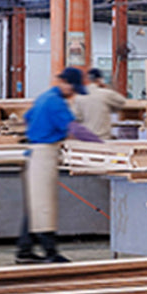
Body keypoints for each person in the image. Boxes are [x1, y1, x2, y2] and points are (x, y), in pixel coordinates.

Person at [16, 67, 102, 265]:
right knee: (44, 206)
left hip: (34, 153)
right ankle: (50, 252)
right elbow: (73, 128)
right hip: (44, 155)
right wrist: (101, 145)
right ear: (66, 84)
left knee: (35, 205)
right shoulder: (55, 103)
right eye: (73, 90)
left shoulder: (44, 97)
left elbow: (27, 118)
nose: (73, 95)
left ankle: (24, 250)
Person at [74, 67, 131, 140]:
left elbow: (76, 117)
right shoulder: (106, 94)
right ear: (100, 79)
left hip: (85, 138)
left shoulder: (79, 96)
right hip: (102, 137)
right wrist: (107, 88)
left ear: (88, 80)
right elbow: (122, 102)